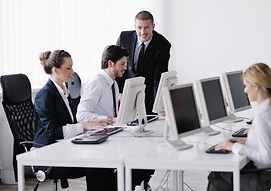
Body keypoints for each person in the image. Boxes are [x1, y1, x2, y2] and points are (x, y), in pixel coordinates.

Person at [34, 49, 116, 191]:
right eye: (68, 68)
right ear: (56, 70)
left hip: (65, 149)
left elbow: (71, 124)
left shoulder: (65, 91)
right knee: (97, 165)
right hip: (48, 155)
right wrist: (83, 126)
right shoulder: (45, 95)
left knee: (105, 160)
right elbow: (53, 133)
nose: (72, 72)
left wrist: (93, 124)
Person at [76, 45, 154, 191]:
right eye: (122, 64)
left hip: (110, 134)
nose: (126, 67)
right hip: (96, 140)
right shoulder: (96, 82)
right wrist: (109, 119)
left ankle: (121, 184)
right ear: (111, 63)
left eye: (126, 63)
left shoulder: (113, 83)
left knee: (145, 157)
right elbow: (81, 115)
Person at [207, 63, 271, 191]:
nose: (244, 90)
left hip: (270, 180)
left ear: (256, 87)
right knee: (216, 179)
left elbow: (266, 158)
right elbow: (266, 142)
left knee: (216, 179)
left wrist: (234, 146)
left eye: (246, 86)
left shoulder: (264, 115)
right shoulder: (268, 108)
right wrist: (245, 141)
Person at [116, 10, 171, 115]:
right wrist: (119, 92)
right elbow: (117, 67)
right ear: (135, 26)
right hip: (126, 93)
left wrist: (159, 105)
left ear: (153, 26)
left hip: (148, 96)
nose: (142, 32)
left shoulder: (163, 45)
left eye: (146, 27)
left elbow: (158, 78)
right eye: (139, 28)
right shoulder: (124, 38)